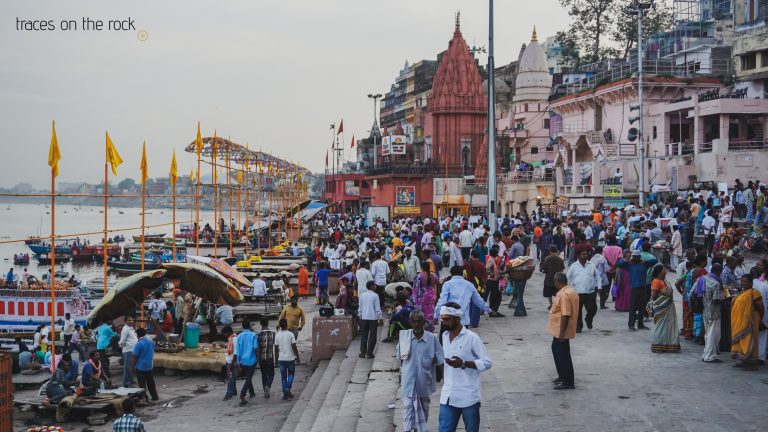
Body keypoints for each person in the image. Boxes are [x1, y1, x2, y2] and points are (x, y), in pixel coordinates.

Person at [437, 303, 492, 432]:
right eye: (442, 319)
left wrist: (464, 363)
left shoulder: (472, 338)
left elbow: (487, 362)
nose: (443, 322)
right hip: (448, 396)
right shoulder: (444, 336)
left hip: (468, 397)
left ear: (457, 318)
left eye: (447, 319)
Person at [397, 309, 444, 432]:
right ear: (410, 322)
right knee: (407, 409)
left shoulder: (432, 339)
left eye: (419, 321)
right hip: (408, 382)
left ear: (423, 322)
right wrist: (401, 374)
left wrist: (446, 380)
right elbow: (400, 359)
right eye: (414, 322)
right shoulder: (404, 337)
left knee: (423, 410)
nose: (417, 324)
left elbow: (440, 361)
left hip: (424, 383)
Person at [434, 265, 491, 331]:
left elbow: (442, 301)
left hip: (448, 319)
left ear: (451, 273)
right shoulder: (469, 285)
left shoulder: (447, 284)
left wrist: (436, 315)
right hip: (463, 321)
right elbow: (479, 301)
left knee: (445, 339)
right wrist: (489, 310)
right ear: (463, 273)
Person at [548, 272, 579, 390]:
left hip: (562, 331)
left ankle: (568, 381)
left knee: (563, 356)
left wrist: (562, 334)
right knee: (556, 351)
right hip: (558, 330)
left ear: (558, 282)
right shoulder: (569, 291)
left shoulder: (566, 294)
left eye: (554, 282)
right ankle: (562, 376)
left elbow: (566, 314)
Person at [616, 250, 658, 330]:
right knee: (633, 307)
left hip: (643, 288)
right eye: (634, 256)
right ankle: (631, 325)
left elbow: (655, 261)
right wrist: (628, 260)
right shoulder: (629, 265)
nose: (635, 258)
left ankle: (640, 324)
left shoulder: (644, 264)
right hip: (634, 288)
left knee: (642, 307)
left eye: (637, 256)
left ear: (639, 257)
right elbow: (619, 264)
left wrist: (645, 261)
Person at [730, 275, 764, 370]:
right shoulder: (742, 292)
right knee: (742, 341)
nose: (743, 283)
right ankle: (743, 360)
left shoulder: (754, 293)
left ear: (751, 283)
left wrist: (759, 318)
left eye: (745, 282)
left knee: (750, 340)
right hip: (740, 322)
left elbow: (760, 307)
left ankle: (752, 364)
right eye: (742, 281)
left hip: (750, 321)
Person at [566, 249, 601, 333]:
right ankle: (579, 327)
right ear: (578, 256)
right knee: (577, 311)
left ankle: (588, 319)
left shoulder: (591, 265)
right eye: (583, 254)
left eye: (586, 254)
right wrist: (569, 288)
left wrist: (599, 287)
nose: (585, 256)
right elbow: (568, 277)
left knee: (593, 308)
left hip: (590, 292)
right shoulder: (574, 266)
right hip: (577, 292)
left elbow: (597, 277)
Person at [649, 264, 681, 353]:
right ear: (659, 272)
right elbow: (654, 296)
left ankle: (668, 344)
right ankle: (658, 345)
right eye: (663, 270)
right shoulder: (656, 281)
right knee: (660, 327)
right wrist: (664, 298)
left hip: (669, 307)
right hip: (661, 308)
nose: (665, 271)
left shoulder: (664, 281)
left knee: (668, 326)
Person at [700, 264, 725, 362]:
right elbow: (716, 300)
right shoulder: (716, 284)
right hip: (714, 312)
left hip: (705, 309)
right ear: (719, 271)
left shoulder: (704, 278)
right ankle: (709, 357)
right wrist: (724, 298)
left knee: (708, 334)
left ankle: (706, 354)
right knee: (713, 335)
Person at [275, 318, 301, 400]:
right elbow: (294, 347)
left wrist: (276, 361)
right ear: (287, 325)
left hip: (281, 359)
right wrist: (297, 357)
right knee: (291, 375)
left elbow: (276, 349)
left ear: (280, 326)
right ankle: (287, 389)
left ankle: (285, 393)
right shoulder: (290, 334)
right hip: (290, 359)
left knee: (283, 377)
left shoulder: (277, 335)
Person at [235, 319, 259, 406]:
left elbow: (238, 350)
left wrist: (238, 361)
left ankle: (252, 392)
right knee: (249, 377)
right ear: (249, 325)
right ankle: (243, 394)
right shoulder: (253, 335)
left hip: (242, 359)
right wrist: (257, 355)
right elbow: (255, 347)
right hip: (251, 359)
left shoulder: (239, 336)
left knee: (248, 376)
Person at [132, 328, 158, 402]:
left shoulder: (139, 344)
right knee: (151, 382)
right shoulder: (151, 341)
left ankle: (144, 398)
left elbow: (135, 357)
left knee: (142, 384)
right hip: (149, 365)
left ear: (138, 335)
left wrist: (132, 367)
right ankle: (155, 396)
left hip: (141, 366)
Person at [358, 281, 382, 358]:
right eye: (374, 285)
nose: (375, 286)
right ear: (371, 286)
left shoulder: (362, 295)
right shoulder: (375, 296)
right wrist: (380, 318)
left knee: (364, 335)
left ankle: (362, 352)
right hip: (372, 318)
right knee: (372, 336)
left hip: (364, 317)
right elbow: (377, 308)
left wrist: (360, 316)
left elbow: (360, 307)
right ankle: (369, 353)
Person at [541, 245, 565, 310]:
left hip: (549, 279)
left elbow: (543, 268)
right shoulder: (560, 259)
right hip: (557, 279)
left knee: (549, 293)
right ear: (556, 251)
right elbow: (562, 269)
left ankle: (551, 304)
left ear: (550, 251)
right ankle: (556, 304)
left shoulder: (547, 258)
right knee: (557, 293)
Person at [257, 317, 276, 399]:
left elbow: (256, 347)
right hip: (269, 357)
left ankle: (265, 391)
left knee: (263, 374)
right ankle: (268, 385)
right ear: (268, 323)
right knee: (271, 374)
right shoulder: (273, 333)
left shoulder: (258, 334)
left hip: (261, 358)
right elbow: (276, 346)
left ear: (260, 324)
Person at [485, 245, 505, 318]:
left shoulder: (493, 259)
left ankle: (492, 310)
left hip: (494, 280)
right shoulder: (491, 260)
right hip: (492, 280)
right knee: (497, 296)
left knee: (494, 295)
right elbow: (487, 269)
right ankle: (493, 311)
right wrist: (493, 274)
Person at [118, 316, 138, 387]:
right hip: (128, 351)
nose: (131, 321)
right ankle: (125, 383)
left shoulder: (131, 328)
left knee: (132, 367)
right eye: (129, 320)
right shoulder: (125, 329)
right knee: (127, 368)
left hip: (132, 350)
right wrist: (123, 346)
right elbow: (121, 341)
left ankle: (131, 380)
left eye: (132, 320)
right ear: (125, 321)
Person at [222, 325, 238, 401]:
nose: (224, 335)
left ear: (228, 332)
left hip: (231, 361)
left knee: (230, 378)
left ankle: (229, 394)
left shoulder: (234, 339)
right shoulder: (231, 338)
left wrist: (232, 363)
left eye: (224, 333)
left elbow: (236, 352)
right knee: (233, 377)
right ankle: (234, 391)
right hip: (230, 360)